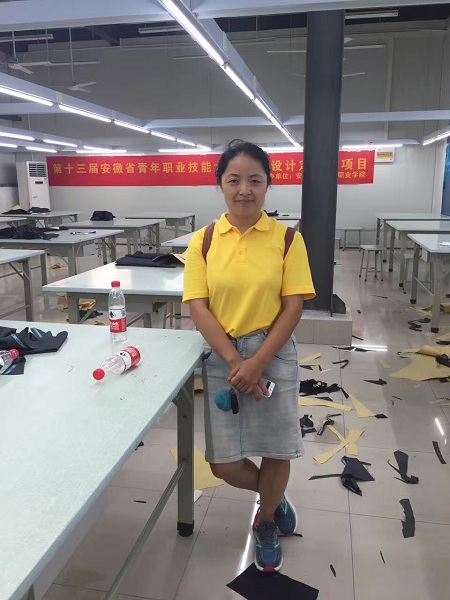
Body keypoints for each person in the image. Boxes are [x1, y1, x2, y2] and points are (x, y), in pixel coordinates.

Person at [182, 140, 315, 572]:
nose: (244, 190)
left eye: (255, 180)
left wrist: (257, 363)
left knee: (276, 450)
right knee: (223, 462)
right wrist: (236, 361)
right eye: (234, 180)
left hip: (272, 352)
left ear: (267, 185)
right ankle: (274, 499)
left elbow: (293, 307)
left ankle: (267, 522)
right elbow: (197, 306)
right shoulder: (203, 242)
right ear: (220, 184)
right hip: (222, 355)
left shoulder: (288, 240)